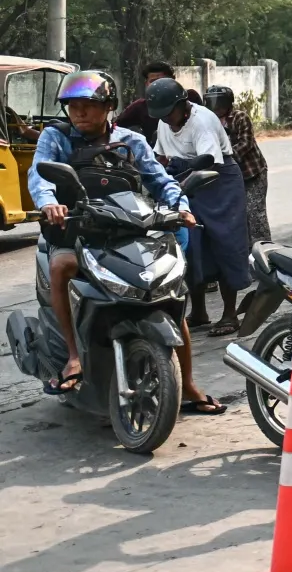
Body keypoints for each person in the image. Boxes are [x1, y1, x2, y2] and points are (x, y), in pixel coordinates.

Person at [27, 71, 219, 413]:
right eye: (73, 107)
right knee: (60, 266)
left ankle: (187, 382)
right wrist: (48, 204)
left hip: (128, 230)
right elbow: (40, 174)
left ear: (109, 107)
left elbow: (161, 181)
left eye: (89, 106)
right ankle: (74, 355)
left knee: (170, 293)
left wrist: (181, 208)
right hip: (76, 230)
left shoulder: (131, 140)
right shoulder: (55, 138)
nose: (80, 113)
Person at [151, 78, 253, 338]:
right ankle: (199, 312)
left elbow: (208, 162)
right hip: (183, 176)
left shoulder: (202, 120)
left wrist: (179, 184)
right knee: (191, 245)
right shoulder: (165, 122)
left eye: (169, 113)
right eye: (161, 116)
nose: (166, 120)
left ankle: (230, 313)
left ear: (183, 105)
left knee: (224, 244)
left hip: (217, 179)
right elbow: (161, 155)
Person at [207, 86, 270, 243]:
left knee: (255, 213)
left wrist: (224, 158)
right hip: (230, 177)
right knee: (236, 214)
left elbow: (245, 143)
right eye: (212, 102)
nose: (216, 107)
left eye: (220, 102)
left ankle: (264, 248)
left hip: (252, 173)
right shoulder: (208, 121)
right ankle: (245, 249)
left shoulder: (240, 117)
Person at [114, 62, 196, 147]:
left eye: (163, 81)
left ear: (173, 79)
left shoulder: (190, 97)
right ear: (146, 84)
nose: (159, 86)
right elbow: (115, 127)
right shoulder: (139, 107)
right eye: (153, 82)